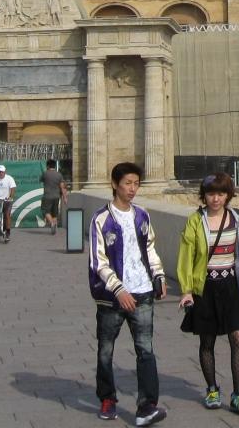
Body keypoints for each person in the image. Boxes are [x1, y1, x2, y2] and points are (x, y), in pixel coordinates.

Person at [88, 161, 167, 426]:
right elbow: (98, 261)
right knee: (105, 350)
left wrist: (158, 275)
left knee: (146, 350)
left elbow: (150, 248)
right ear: (115, 184)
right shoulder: (101, 219)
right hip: (112, 297)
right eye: (127, 184)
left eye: (136, 184)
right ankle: (107, 398)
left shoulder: (142, 215)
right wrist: (119, 289)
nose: (132, 189)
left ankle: (147, 406)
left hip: (143, 291)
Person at [177, 172, 239, 416]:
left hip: (232, 286)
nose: (216, 199)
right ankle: (212, 390)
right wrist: (186, 290)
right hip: (206, 288)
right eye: (211, 194)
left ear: (228, 195)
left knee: (238, 339)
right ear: (203, 196)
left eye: (221, 194)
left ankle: (238, 394)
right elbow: (186, 257)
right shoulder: (195, 221)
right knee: (207, 342)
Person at [40, 159, 67, 235]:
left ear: (48, 166)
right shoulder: (59, 175)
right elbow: (62, 187)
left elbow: (41, 180)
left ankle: (52, 223)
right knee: (54, 213)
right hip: (56, 196)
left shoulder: (45, 174)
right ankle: (54, 227)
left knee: (45, 211)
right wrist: (65, 197)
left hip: (47, 196)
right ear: (54, 166)